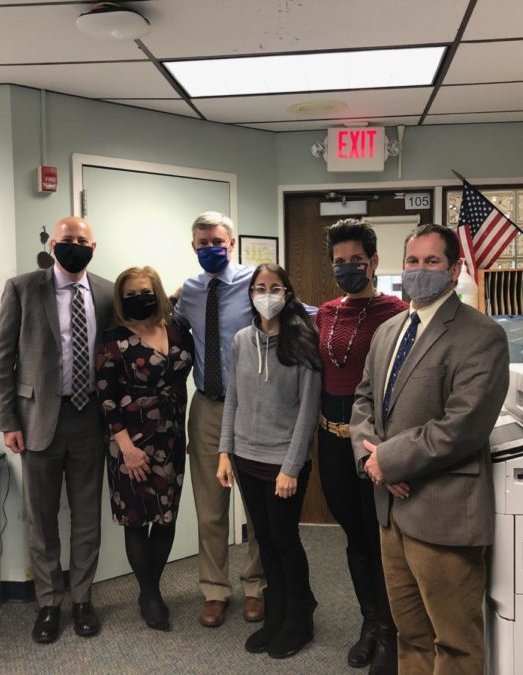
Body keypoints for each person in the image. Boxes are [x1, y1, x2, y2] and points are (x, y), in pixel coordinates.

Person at [350, 224, 509, 675]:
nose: (420, 271)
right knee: (412, 636)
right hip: (390, 512)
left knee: (454, 642)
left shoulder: (481, 335)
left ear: (455, 268)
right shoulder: (389, 330)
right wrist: (371, 461)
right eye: (413, 262)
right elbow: (363, 402)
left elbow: (463, 426)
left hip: (442, 511)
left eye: (432, 262)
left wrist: (389, 459)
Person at [0, 216, 115, 644]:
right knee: (40, 519)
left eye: (82, 240)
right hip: (37, 420)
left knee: (86, 517)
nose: (74, 245)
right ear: (52, 243)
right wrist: (7, 421)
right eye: (67, 240)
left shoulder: (106, 291)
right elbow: (1, 359)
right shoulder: (23, 288)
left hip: (89, 419)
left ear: (94, 246)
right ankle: (48, 603)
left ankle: (82, 599)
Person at [216, 263, 322, 659]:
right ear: (250, 294)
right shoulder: (242, 339)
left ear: (287, 294)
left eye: (274, 288)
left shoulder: (303, 342)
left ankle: (300, 619)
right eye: (259, 288)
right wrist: (225, 451)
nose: (266, 294)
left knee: (285, 540)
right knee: (265, 540)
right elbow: (233, 399)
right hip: (246, 457)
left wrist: (291, 467)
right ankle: (276, 614)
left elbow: (307, 412)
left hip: (282, 462)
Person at [315, 219, 407, 673]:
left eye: (356, 260)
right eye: (339, 262)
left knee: (379, 538)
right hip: (331, 440)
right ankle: (369, 623)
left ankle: (390, 633)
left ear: (373, 262)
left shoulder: (396, 312)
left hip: (372, 442)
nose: (348, 268)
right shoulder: (327, 313)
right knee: (354, 537)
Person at [172, 211, 265, 628]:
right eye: (203, 243)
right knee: (210, 508)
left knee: (257, 507)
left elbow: (299, 314)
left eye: (218, 242)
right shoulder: (188, 292)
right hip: (207, 407)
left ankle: (256, 586)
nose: (212, 249)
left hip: (252, 407)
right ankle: (214, 591)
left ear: (232, 244)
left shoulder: (255, 282)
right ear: (194, 247)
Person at [95, 266, 193, 632]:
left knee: (166, 516)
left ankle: (150, 591)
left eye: (146, 292)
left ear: (159, 293)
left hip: (171, 437)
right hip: (130, 440)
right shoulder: (113, 339)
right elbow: (106, 398)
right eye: (131, 294)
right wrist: (125, 447)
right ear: (121, 300)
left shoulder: (179, 331)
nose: (140, 299)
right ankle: (150, 594)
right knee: (136, 518)